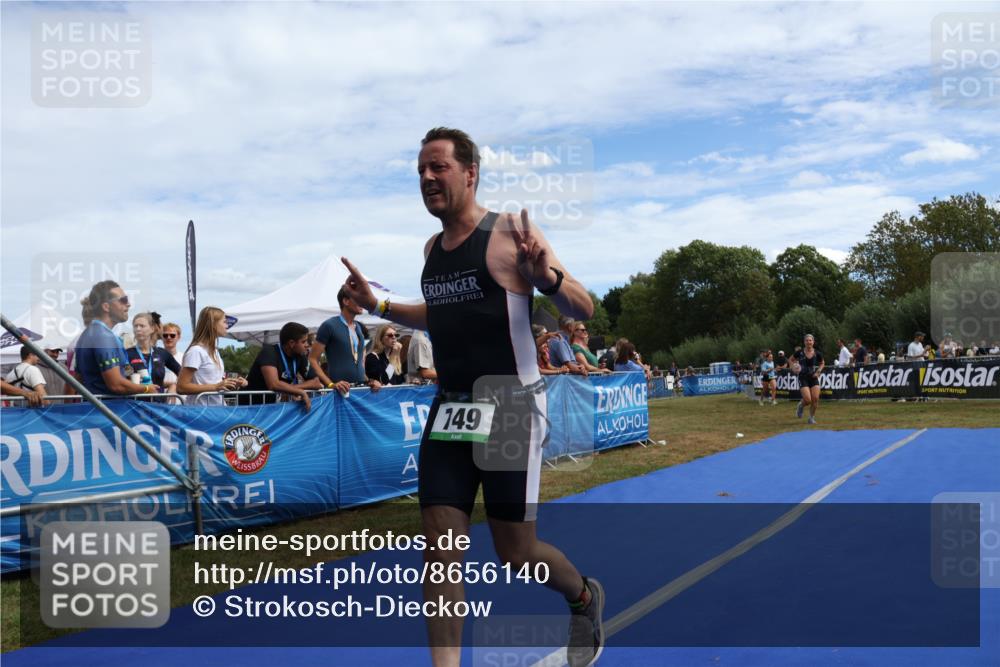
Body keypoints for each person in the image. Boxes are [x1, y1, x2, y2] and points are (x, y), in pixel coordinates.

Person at [339, 127, 605, 667]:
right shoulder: (432, 249)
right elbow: (440, 312)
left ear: (470, 172)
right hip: (453, 409)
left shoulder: (510, 231)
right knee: (439, 547)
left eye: (438, 167)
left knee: (516, 553)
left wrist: (545, 278)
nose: (427, 178)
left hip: (510, 407)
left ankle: (582, 596)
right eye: (420, 171)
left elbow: (583, 307)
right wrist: (382, 306)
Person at [74, 281, 158, 396]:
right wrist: (147, 389)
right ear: (106, 307)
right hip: (109, 409)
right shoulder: (103, 336)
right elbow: (116, 385)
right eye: (123, 300)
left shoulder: (89, 333)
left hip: (96, 408)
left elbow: (76, 380)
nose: (128, 304)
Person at [312, 287, 381, 391]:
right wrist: (331, 385)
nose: (362, 303)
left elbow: (358, 364)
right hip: (339, 392)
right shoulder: (329, 325)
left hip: (359, 390)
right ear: (345, 301)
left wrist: (369, 382)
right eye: (358, 299)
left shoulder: (358, 327)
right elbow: (312, 359)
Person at [245, 321, 324, 410]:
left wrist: (292, 389)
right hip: (249, 407)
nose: (307, 345)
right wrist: (299, 391)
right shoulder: (269, 352)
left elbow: (316, 382)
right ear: (291, 343)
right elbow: (274, 384)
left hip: (269, 408)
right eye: (304, 341)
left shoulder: (300, 356)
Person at [177, 307, 246, 406]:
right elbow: (181, 387)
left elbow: (213, 381)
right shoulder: (196, 351)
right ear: (213, 324)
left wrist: (232, 383)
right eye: (224, 322)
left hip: (216, 409)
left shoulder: (214, 351)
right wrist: (215, 387)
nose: (227, 325)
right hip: (200, 411)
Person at [125, 312, 181, 392]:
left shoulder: (162, 353)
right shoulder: (127, 353)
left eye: (142, 326)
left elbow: (183, 375)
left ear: (152, 329)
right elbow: (123, 380)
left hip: (158, 403)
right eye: (135, 326)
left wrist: (174, 385)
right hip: (135, 403)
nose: (138, 329)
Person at [792, 333, 824, 425]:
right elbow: (791, 360)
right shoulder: (800, 352)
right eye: (807, 340)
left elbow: (822, 363)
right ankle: (801, 406)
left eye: (810, 340)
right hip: (803, 377)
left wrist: (818, 371)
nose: (809, 342)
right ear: (804, 342)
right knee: (808, 400)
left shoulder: (817, 353)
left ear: (813, 342)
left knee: (815, 398)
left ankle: (811, 418)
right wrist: (793, 368)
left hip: (813, 377)